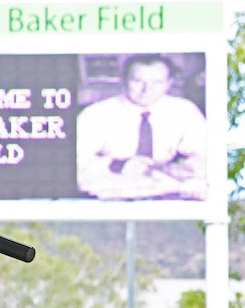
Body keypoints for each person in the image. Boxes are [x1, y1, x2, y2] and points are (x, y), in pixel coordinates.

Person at [76, 54, 207, 200]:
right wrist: (118, 165)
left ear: (169, 83)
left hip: (168, 195)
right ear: (124, 81)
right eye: (138, 81)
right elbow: (73, 162)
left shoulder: (185, 110)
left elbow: (205, 154)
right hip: (112, 196)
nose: (147, 90)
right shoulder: (95, 114)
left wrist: (189, 165)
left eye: (157, 83)